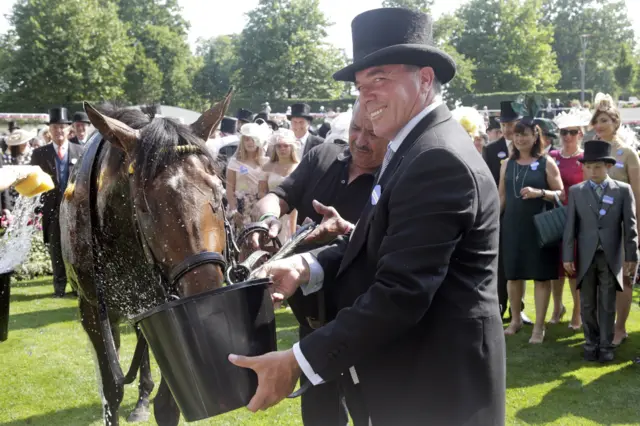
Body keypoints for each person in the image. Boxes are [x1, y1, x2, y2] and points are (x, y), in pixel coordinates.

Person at [229, 8, 505, 425]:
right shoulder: (413, 148)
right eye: (361, 86)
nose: (367, 96)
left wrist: (296, 362)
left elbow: (402, 292)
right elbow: (387, 240)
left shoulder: (435, 158)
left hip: (435, 390)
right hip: (408, 382)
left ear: (425, 79)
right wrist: (306, 265)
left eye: (380, 78)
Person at [248, 98, 388, 426]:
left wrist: (347, 231)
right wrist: (267, 217)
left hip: (365, 326)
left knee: (372, 413)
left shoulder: (396, 175)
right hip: (311, 322)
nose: (361, 140)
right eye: (356, 128)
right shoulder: (322, 156)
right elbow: (279, 196)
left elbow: (388, 244)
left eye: (372, 133)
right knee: (319, 416)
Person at [563, 140, 638, 363]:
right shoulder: (577, 191)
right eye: (588, 166)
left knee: (607, 301)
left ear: (608, 166)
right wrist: (567, 255)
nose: (593, 171)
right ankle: (590, 342)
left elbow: (630, 224)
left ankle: (606, 344)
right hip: (585, 255)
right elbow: (570, 227)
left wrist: (631, 255)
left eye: (598, 166)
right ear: (584, 167)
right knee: (586, 303)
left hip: (611, 255)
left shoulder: (622, 191)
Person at [499, 115, 563, 343]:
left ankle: (539, 326)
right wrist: (493, 223)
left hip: (539, 227)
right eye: (516, 134)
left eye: (524, 134)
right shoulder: (507, 164)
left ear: (535, 136)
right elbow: (502, 197)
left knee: (541, 277)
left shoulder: (547, 162)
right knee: (513, 276)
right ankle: (515, 320)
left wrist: (540, 193)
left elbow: (561, 193)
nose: (519, 138)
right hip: (512, 227)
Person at [590, 93, 640, 346]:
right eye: (597, 121)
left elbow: (637, 195)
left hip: (622, 226)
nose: (600, 126)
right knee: (599, 277)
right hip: (595, 227)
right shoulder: (590, 153)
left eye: (605, 120)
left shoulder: (628, 153)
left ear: (616, 122)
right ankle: (601, 326)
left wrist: (637, 230)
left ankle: (620, 329)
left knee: (623, 278)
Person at [483, 100, 532, 324]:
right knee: (502, 264)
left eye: (510, 124)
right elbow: (487, 182)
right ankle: (501, 306)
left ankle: (518, 309)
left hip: (524, 212)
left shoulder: (527, 148)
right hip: (500, 213)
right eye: (503, 125)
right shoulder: (491, 149)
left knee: (521, 262)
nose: (506, 129)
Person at [30, 107, 83, 297]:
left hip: (75, 209)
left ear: (69, 130)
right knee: (56, 248)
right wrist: (35, 208)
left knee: (77, 247)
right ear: (49, 131)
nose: (59, 131)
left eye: (62, 127)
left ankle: (78, 287)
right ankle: (59, 288)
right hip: (52, 210)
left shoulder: (80, 150)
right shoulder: (39, 154)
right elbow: (33, 182)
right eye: (55, 127)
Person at [548, 108, 592, 329]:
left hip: (578, 219)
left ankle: (577, 312)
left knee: (573, 267)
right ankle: (557, 308)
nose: (567, 136)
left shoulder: (585, 159)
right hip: (556, 218)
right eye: (564, 132)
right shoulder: (552, 157)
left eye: (572, 132)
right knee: (556, 269)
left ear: (581, 134)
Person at [258, 129, 301, 244]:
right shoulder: (267, 166)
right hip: (270, 211)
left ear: (292, 147)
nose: (282, 149)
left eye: (286, 146)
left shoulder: (299, 166)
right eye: (279, 146)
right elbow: (261, 191)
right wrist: (272, 203)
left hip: (292, 213)